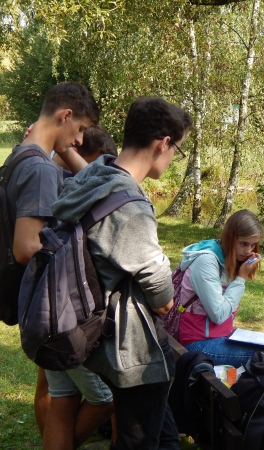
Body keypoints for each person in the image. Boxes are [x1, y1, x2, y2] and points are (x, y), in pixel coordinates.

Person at [52, 96, 191, 449]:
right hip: (130, 350)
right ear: (163, 144)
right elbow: (161, 294)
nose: (174, 157)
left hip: (100, 335)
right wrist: (165, 294)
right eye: (177, 149)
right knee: (140, 440)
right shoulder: (129, 206)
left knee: (163, 436)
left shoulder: (98, 175)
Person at [5, 81, 114, 450]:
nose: (81, 139)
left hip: (35, 302)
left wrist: (62, 147)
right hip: (50, 306)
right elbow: (26, 247)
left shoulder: (21, 155)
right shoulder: (41, 171)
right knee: (101, 394)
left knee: (62, 393)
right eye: (80, 128)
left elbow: (91, 180)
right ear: (65, 116)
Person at [177, 209, 264, 378]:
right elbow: (219, 315)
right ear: (230, 238)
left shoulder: (227, 258)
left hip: (220, 337)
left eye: (253, 245)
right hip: (197, 345)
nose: (248, 251)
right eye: (244, 244)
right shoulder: (206, 262)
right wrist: (241, 278)